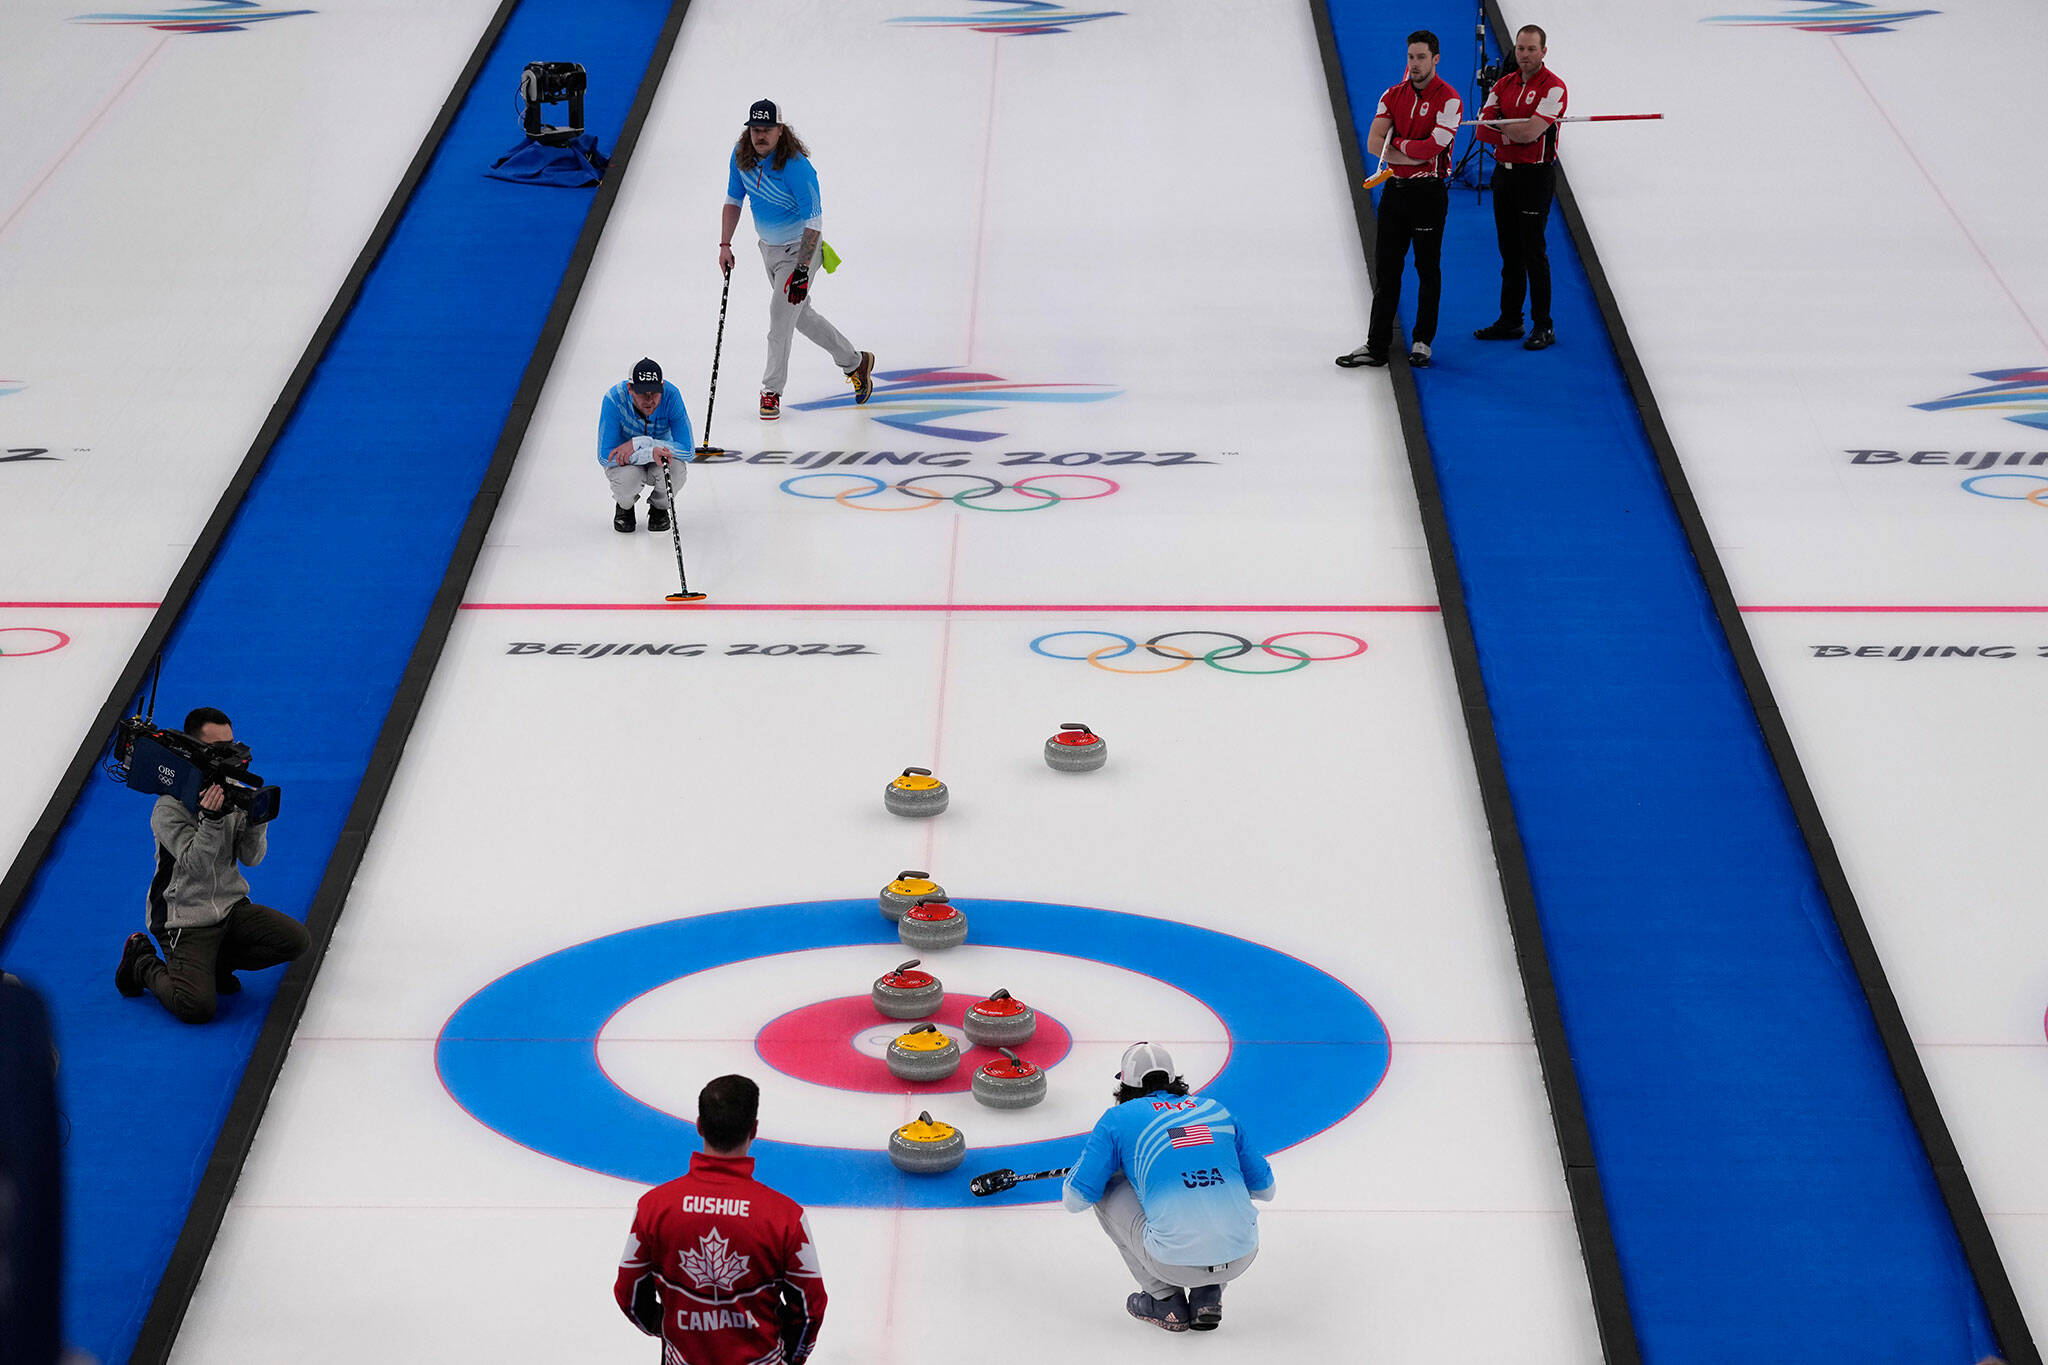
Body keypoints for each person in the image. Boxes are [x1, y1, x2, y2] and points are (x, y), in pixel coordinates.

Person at [1063, 1042, 1275, 1334]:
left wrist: (1111, 1168)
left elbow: (1076, 1198)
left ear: (1124, 1085)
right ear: (1174, 1078)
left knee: (1105, 1186)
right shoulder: (1216, 1110)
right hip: (1242, 1254)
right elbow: (1266, 1190)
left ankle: (1163, 1299)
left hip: (1171, 1263)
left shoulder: (1119, 1120)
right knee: (1221, 1185)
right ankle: (1208, 1293)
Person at [114, 708, 309, 1024]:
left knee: (295, 940)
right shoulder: (168, 808)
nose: (230, 756)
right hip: (184, 919)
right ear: (195, 748)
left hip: (230, 908)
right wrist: (213, 819)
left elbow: (251, 858)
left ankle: (216, 965)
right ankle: (141, 963)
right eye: (220, 750)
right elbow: (196, 866)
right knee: (197, 1008)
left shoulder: (230, 788)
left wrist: (257, 821)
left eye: (232, 746)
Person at [616, 1074, 827, 1364]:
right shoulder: (785, 1217)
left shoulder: (654, 1207)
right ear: (753, 1130)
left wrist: (665, 1327)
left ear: (700, 1126)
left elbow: (629, 1294)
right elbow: (809, 1310)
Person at [719, 99, 874, 423]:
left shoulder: (796, 166)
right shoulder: (741, 157)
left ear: (780, 130)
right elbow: (734, 200)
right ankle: (854, 361)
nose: (760, 136)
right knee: (799, 317)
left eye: (767, 130)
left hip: (800, 250)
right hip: (769, 249)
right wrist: (725, 243)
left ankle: (771, 391)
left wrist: (803, 270)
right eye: (755, 130)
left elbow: (814, 222)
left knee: (779, 319)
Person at [1337, 30, 1462, 370]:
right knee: (1387, 269)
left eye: (1422, 57)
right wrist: (1407, 150)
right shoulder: (1392, 94)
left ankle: (1422, 341)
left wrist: (1399, 149)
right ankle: (1377, 345)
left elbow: (1431, 149)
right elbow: (1374, 143)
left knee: (1426, 268)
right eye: (1411, 57)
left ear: (1435, 59)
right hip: (1395, 193)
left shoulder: (1450, 100)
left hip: (1428, 195)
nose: (1415, 64)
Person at [1472, 24, 1567, 351]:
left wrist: (1510, 129)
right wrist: (1518, 129)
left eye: (1531, 49)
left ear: (1543, 51)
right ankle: (1510, 319)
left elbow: (1531, 135)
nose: (1524, 55)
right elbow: (1483, 128)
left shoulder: (1554, 88)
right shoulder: (1503, 84)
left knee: (1533, 251)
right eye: (1520, 49)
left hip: (1534, 177)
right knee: (1509, 251)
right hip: (1504, 176)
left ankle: (1544, 325)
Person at [600, 356, 693, 533]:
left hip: (657, 455)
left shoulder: (672, 396)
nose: (649, 400)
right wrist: (647, 453)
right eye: (643, 393)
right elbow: (605, 455)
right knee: (629, 479)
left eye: (654, 393)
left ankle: (659, 508)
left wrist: (643, 443)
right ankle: (624, 506)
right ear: (630, 388)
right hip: (626, 461)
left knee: (676, 470)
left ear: (662, 387)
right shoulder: (613, 399)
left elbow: (688, 451)